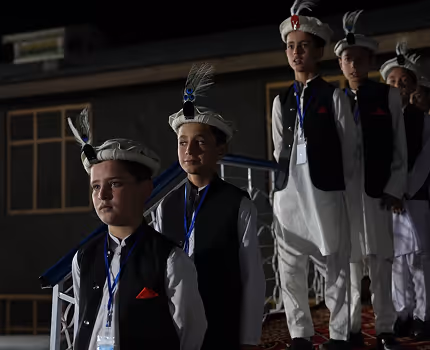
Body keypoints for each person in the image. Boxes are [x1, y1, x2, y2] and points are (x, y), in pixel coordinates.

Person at [68, 109, 207, 350]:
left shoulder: (170, 260)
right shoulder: (83, 258)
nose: (102, 195)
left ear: (145, 189)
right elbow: (83, 321)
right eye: (95, 187)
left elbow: (191, 332)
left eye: (115, 184)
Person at [155, 63, 266, 350]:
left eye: (199, 142)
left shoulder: (237, 204)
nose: (189, 151)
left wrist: (249, 337)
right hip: (174, 324)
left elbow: (251, 276)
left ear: (220, 149)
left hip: (221, 322)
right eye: (182, 142)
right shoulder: (165, 205)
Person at [272, 1, 357, 349]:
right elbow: (279, 149)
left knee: (334, 265)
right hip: (288, 195)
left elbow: (350, 150)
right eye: (290, 45)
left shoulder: (333, 95)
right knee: (289, 271)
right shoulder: (281, 100)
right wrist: (277, 191)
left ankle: (338, 334)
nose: (295, 52)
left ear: (319, 50)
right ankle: (300, 334)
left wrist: (345, 193)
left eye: (303, 45)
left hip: (324, 194)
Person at [335, 10, 407, 349]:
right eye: (347, 59)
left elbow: (399, 148)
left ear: (369, 60)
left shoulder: (387, 96)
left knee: (381, 264)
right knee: (348, 266)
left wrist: (395, 189)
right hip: (345, 195)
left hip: (378, 192)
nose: (353, 64)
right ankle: (350, 332)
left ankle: (385, 330)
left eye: (359, 58)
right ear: (341, 64)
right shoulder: (335, 99)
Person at [381, 42, 430, 340]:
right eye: (392, 81)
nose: (398, 86)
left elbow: (425, 158)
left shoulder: (422, 119)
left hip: (416, 196)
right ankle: (403, 313)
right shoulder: (380, 119)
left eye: (404, 81)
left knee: (420, 260)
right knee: (395, 259)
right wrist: (390, 191)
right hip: (387, 199)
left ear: (413, 86)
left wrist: (404, 190)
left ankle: (425, 316)